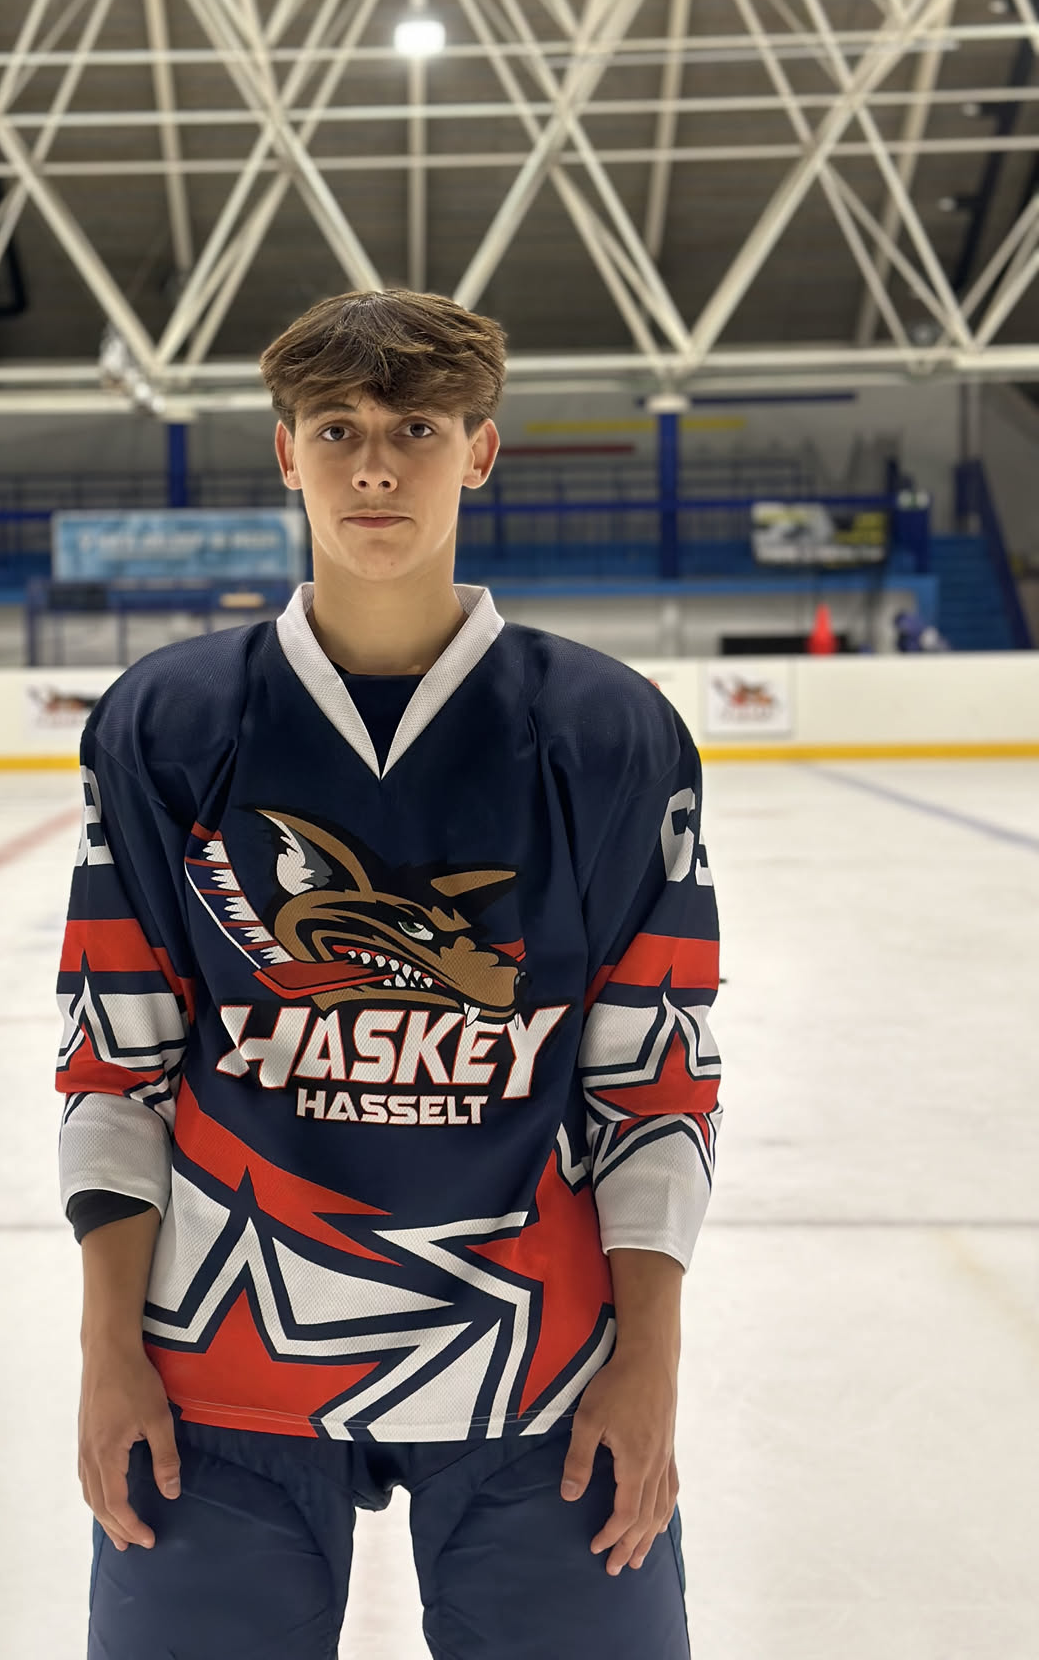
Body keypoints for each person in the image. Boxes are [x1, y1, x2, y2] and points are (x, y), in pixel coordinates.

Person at [54, 289, 724, 1660]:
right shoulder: (166, 726)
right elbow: (115, 1061)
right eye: (338, 429)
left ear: (480, 451)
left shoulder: (610, 735)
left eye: (416, 429)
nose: (374, 466)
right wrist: (106, 1350)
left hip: (540, 1364)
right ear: (285, 452)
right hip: (223, 1355)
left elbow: (654, 1077)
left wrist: (651, 1364)